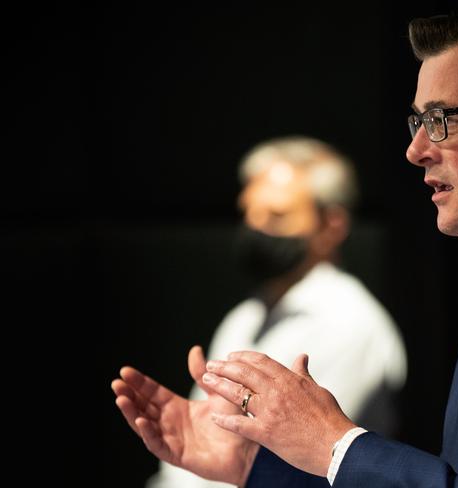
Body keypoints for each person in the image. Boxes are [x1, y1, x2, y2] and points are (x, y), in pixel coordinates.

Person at [113, 3, 458, 487]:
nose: (415, 150)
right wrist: (254, 468)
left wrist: (335, 444)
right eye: (417, 121)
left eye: (441, 121)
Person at [142, 136, 408, 487]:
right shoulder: (245, 317)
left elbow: (304, 461)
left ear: (332, 226)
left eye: (276, 215)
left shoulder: (349, 324)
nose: (255, 228)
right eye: (249, 212)